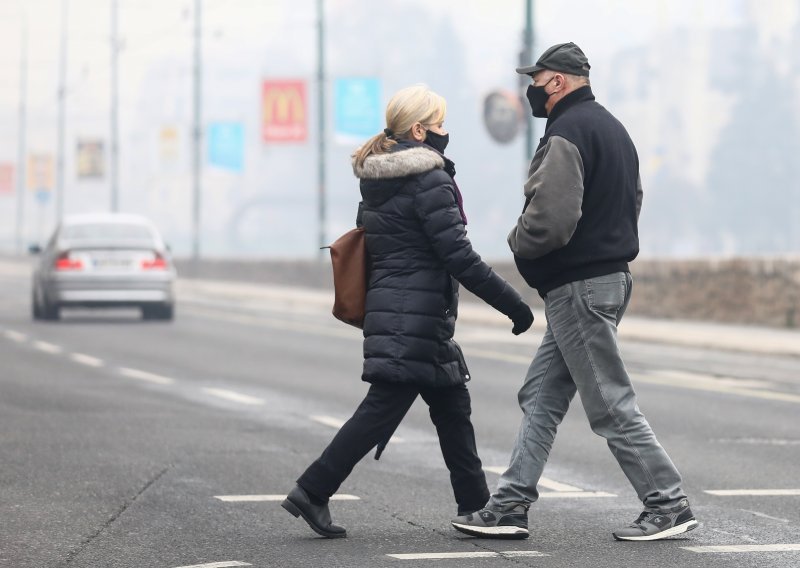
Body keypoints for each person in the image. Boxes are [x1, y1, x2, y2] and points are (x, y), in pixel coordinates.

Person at [451, 43, 698, 542]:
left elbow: (551, 219)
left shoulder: (567, 131)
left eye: (537, 80)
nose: (532, 91)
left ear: (559, 81)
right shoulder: (613, 128)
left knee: (609, 403)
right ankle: (509, 506)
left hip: (579, 287)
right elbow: (633, 200)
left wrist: (518, 243)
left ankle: (667, 503)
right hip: (607, 279)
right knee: (540, 395)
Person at [282, 84, 534, 539]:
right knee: (380, 410)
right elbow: (458, 255)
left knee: (453, 408)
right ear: (418, 130)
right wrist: (513, 304)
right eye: (438, 124)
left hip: (404, 311)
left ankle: (476, 507)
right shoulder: (429, 180)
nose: (444, 131)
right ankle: (312, 489)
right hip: (414, 316)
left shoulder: (377, 179)